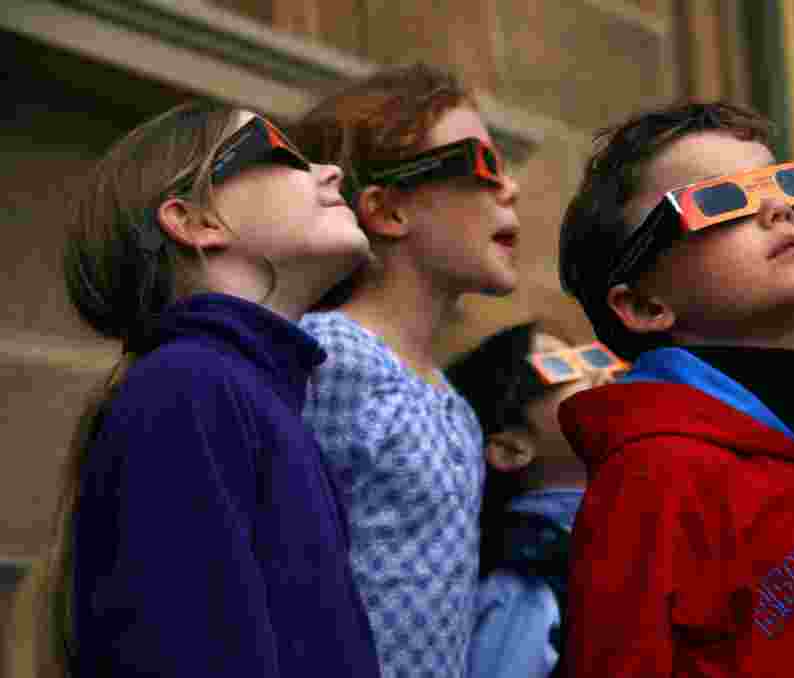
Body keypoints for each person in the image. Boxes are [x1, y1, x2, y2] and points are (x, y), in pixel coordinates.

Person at [557, 101, 794, 676]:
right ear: (644, 304)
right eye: (718, 200)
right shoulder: (653, 468)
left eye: (785, 186)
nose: (778, 209)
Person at [40, 101, 380, 677]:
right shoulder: (187, 388)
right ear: (196, 221)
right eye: (283, 151)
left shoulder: (244, 393)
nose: (331, 171)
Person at [289, 62, 520, 678]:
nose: (511, 188)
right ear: (388, 211)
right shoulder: (328, 357)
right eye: (483, 165)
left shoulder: (450, 399)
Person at [446, 322, 624, 678]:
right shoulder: (527, 576)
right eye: (560, 368)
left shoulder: (616, 533)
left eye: (591, 358)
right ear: (511, 448)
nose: (604, 373)